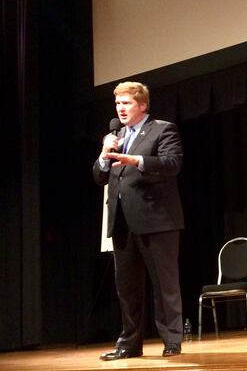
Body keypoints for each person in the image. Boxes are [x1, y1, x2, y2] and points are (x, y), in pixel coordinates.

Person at [93, 82, 185, 360]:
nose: (120, 108)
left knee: (164, 284)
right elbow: (99, 176)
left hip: (157, 219)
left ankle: (171, 340)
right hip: (121, 222)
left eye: (127, 103)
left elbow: (172, 164)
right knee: (127, 288)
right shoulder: (115, 135)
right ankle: (129, 344)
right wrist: (104, 155)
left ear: (142, 105)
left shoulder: (162, 129)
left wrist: (134, 159)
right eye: (118, 104)